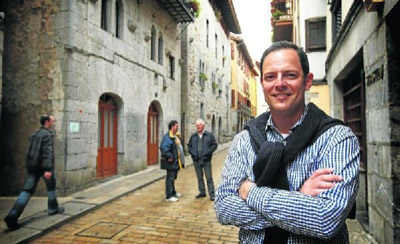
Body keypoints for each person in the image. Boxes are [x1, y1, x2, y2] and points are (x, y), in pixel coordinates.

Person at [215, 41, 359, 243]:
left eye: (290, 75)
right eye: (270, 77)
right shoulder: (244, 140)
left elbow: (326, 219)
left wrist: (251, 192)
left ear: (307, 81)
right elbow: (224, 207)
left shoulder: (337, 138)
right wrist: (299, 197)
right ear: (263, 84)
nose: (279, 83)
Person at [4, 115, 65, 230]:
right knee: (51, 188)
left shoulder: (35, 133)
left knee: (27, 191)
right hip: (44, 168)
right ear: (47, 122)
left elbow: (29, 152)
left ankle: (13, 215)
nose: (53, 122)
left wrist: (29, 166)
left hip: (33, 167)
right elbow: (47, 153)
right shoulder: (47, 135)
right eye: (52, 120)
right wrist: (47, 169)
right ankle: (53, 209)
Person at [188, 119, 218, 201]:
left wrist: (208, 152)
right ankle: (202, 192)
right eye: (197, 125)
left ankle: (212, 194)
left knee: (209, 177)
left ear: (203, 126)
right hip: (196, 160)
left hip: (206, 160)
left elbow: (214, 145)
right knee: (199, 177)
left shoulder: (209, 135)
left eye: (199, 125)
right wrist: (192, 153)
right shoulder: (193, 136)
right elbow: (189, 146)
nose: (198, 127)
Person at [160, 120, 183, 202]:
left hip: (176, 161)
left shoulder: (175, 136)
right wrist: (170, 156)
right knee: (170, 178)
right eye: (176, 126)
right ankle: (169, 196)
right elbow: (164, 148)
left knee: (173, 178)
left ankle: (173, 192)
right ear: (172, 127)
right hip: (170, 162)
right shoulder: (167, 137)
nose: (177, 127)